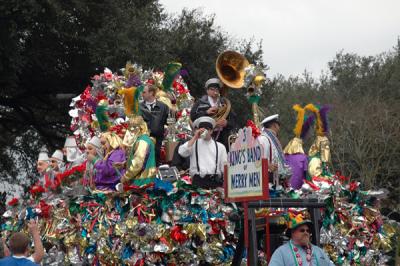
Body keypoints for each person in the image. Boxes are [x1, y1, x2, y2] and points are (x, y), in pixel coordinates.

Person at [178, 116, 227, 189]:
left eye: (207, 129)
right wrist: (195, 137)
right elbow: (182, 152)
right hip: (198, 181)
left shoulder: (220, 147)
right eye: (202, 129)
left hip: (215, 181)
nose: (205, 132)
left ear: (211, 131)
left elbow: (224, 167)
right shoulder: (193, 143)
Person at [269, 212, 334, 266]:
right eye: (302, 230)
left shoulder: (319, 251)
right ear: (292, 232)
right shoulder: (281, 252)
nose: (306, 233)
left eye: (308, 231)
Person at [190, 78, 237, 149]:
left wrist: (227, 123)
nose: (215, 92)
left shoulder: (224, 103)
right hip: (205, 136)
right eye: (212, 89)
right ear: (207, 90)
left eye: (216, 90)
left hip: (223, 137)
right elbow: (192, 117)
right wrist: (206, 112)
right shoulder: (200, 103)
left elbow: (234, 120)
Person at [120, 115, 157, 187]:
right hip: (144, 180)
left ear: (140, 128)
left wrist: (125, 177)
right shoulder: (143, 139)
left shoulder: (142, 141)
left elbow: (138, 164)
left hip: (142, 182)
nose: (130, 132)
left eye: (132, 128)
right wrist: (124, 164)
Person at [258, 114, 291, 188]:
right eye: (278, 125)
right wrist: (268, 166)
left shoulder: (272, 138)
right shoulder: (263, 138)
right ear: (274, 125)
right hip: (268, 180)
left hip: (276, 179)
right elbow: (258, 158)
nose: (279, 127)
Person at [140, 83, 169, 165]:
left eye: (144, 92)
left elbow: (169, 121)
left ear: (151, 93)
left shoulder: (163, 107)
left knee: (155, 160)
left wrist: (167, 129)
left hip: (158, 139)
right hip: (143, 139)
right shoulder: (139, 107)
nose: (142, 94)